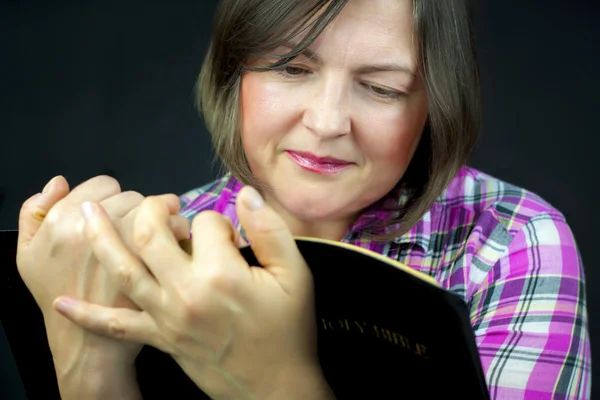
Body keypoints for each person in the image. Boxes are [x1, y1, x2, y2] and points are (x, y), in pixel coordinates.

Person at [16, 0, 591, 399]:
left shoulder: (512, 241)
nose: (325, 122)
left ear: (434, 108)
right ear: (232, 76)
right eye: (292, 67)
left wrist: (273, 384)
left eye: (382, 88)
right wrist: (88, 367)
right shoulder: (160, 240)